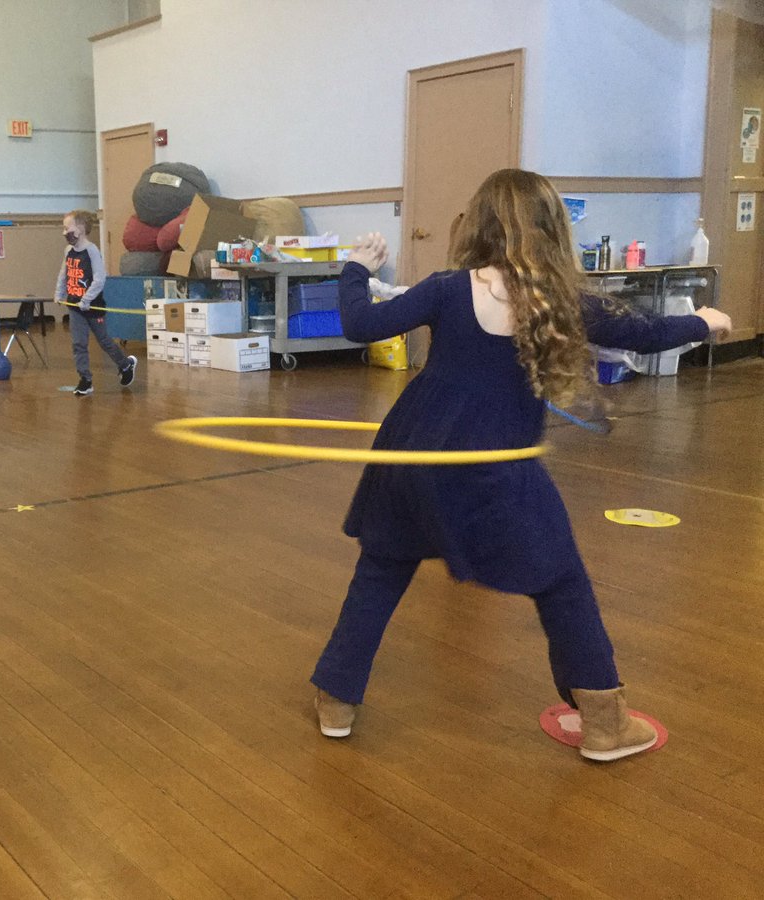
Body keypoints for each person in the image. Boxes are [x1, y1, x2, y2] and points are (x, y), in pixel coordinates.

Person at [311, 168, 732, 762]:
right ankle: (606, 723)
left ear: (477, 225)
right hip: (491, 463)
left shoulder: (447, 287)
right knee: (561, 580)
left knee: (382, 566)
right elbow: (645, 334)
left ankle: (336, 701)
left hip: (412, 448)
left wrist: (357, 268)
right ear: (552, 229)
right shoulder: (560, 300)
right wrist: (706, 321)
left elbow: (359, 323)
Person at [54, 210, 136, 396]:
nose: (64, 232)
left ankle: (125, 365)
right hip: (75, 307)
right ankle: (85, 379)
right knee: (79, 344)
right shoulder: (68, 251)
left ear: (80, 229)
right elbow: (64, 273)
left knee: (104, 341)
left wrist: (86, 299)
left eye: (67, 228)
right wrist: (59, 293)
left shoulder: (91, 251)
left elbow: (100, 278)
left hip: (92, 307)